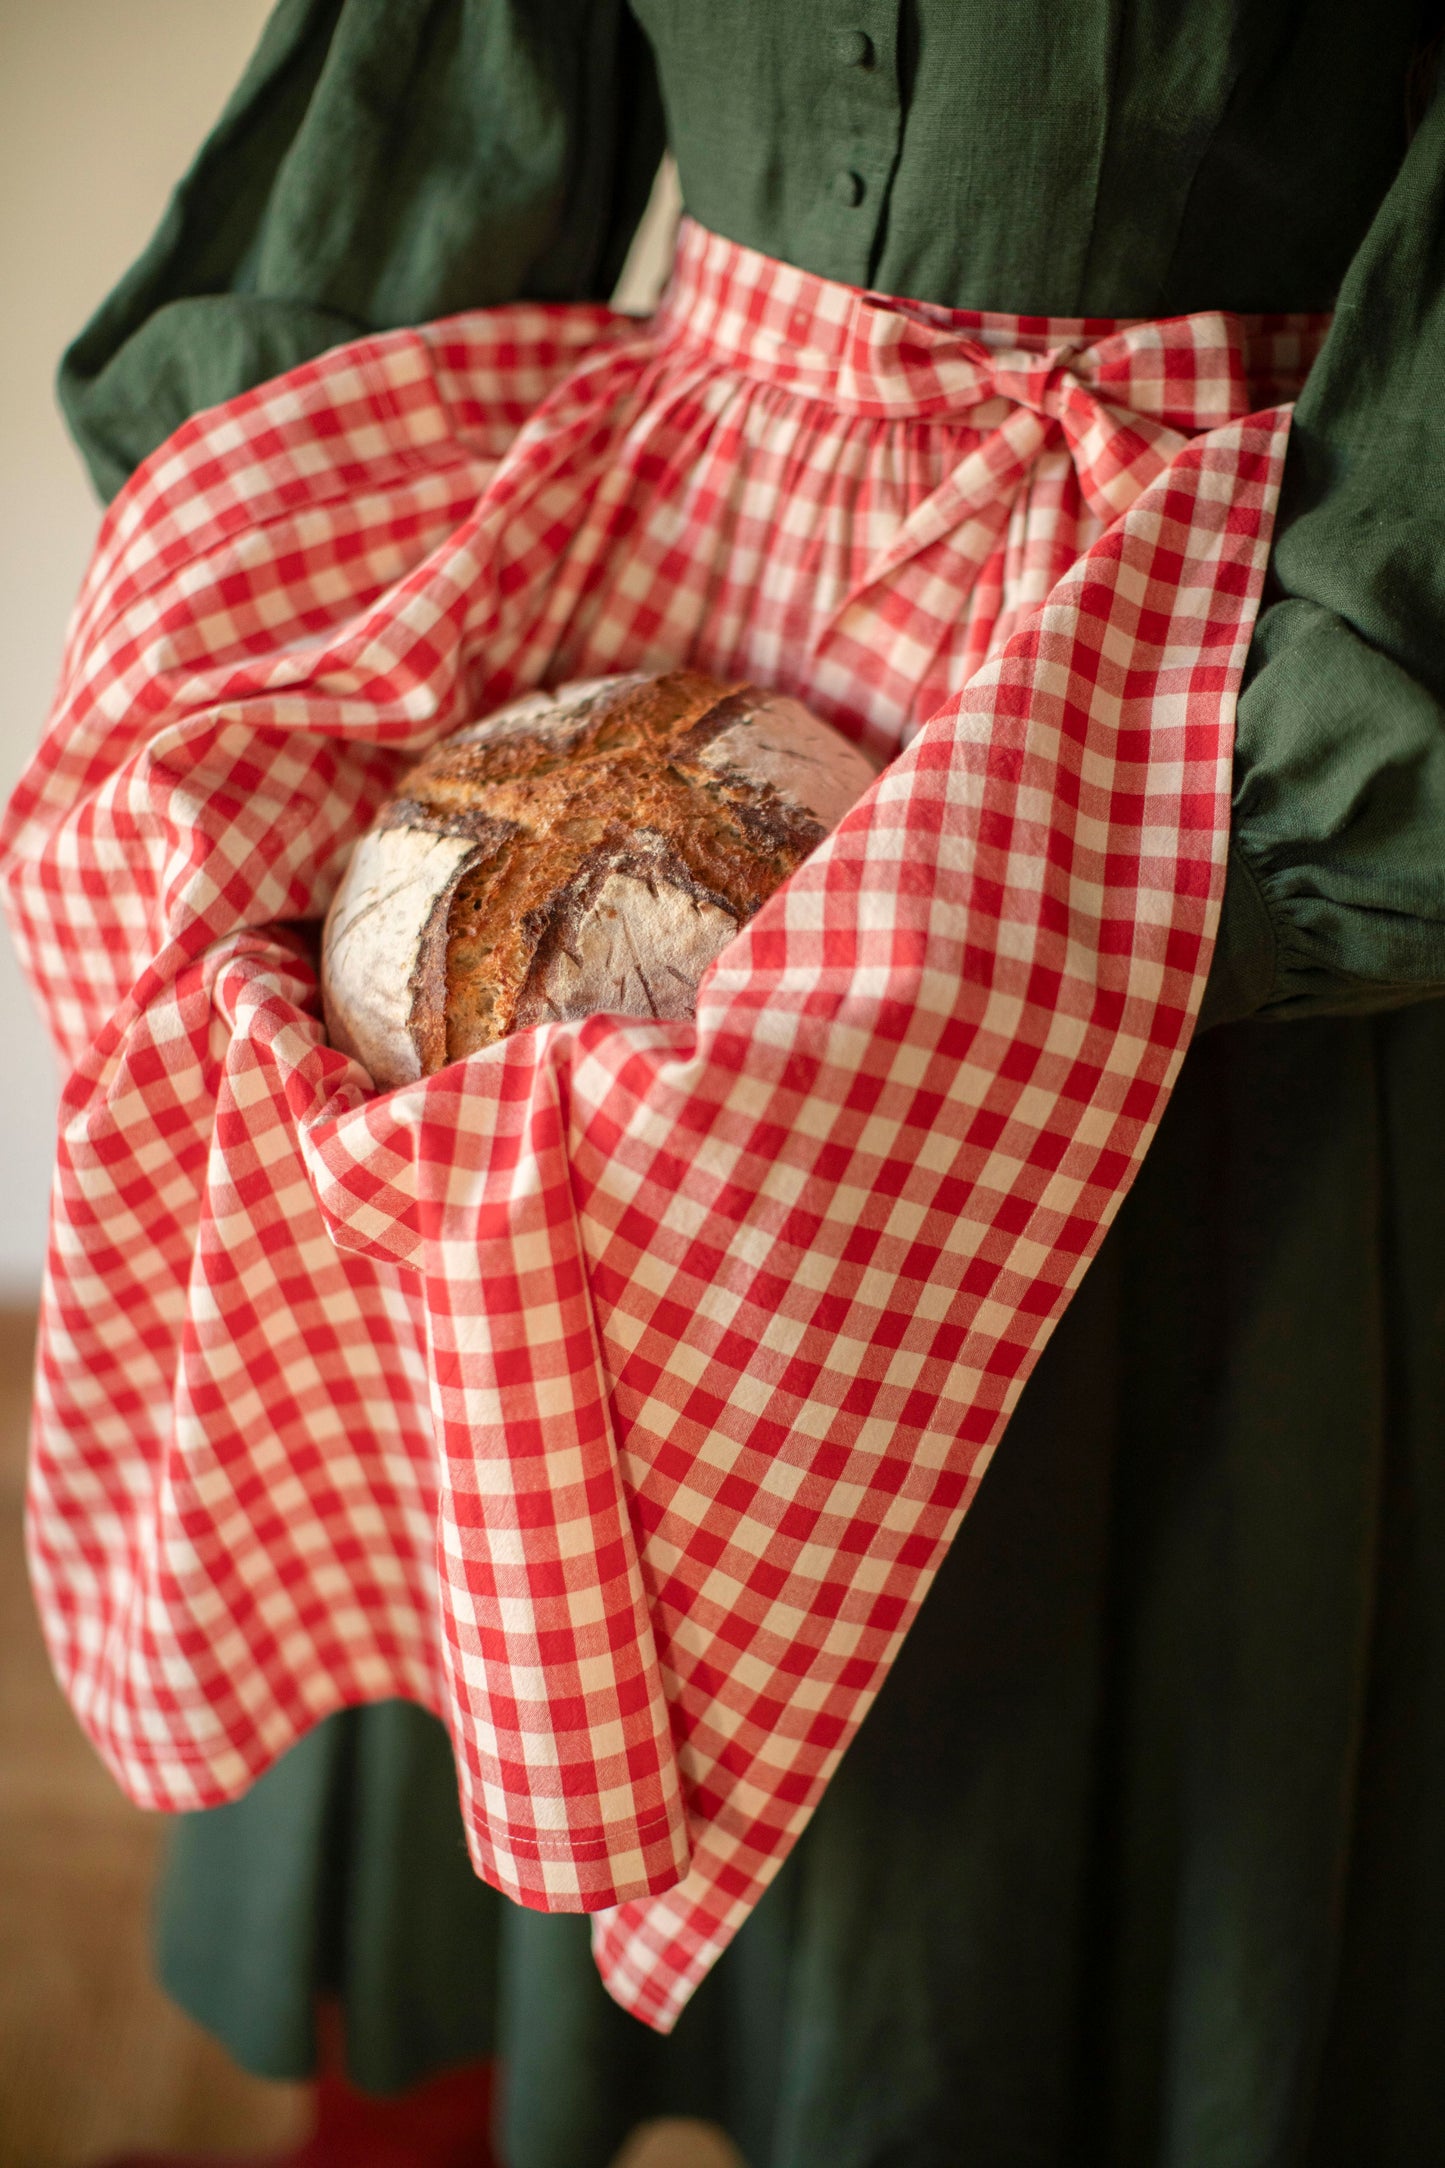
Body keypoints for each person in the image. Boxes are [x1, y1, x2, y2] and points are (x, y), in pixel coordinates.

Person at [40, 3, 1445, 2164]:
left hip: (1182, 677)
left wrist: (1128, 877)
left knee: (1033, 1725)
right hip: (677, 559)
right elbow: (429, 117)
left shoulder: (1203, 769)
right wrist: (269, 629)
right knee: (530, 1404)